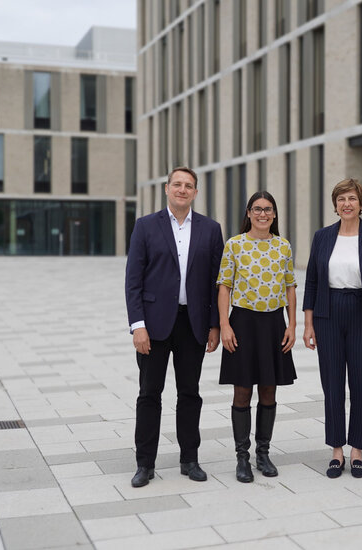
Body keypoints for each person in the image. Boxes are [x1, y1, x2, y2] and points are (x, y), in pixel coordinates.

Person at [124, 166, 223, 488]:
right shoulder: (145, 226)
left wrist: (214, 326)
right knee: (149, 394)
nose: (182, 189)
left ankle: (189, 459)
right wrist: (138, 325)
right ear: (167, 189)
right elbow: (133, 281)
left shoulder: (211, 229)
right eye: (177, 184)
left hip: (192, 324)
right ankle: (145, 464)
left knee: (190, 393)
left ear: (195, 192)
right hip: (153, 326)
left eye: (189, 186)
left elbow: (215, 282)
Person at [302, 179, 362, 479]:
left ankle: (358, 450)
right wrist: (308, 323)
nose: (346, 204)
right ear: (335, 204)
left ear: (361, 203)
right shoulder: (323, 237)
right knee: (332, 385)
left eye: (351, 198)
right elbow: (312, 280)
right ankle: (337, 450)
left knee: (361, 384)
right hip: (328, 314)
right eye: (341, 199)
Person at [218, 191, 297, 483]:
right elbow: (224, 286)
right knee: (242, 390)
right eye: (257, 209)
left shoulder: (283, 246)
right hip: (243, 323)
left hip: (274, 324)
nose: (263, 214)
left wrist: (292, 325)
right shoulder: (234, 245)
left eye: (268, 209)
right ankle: (242, 457)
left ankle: (263, 453)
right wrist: (224, 325)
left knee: (269, 389)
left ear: (274, 214)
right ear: (249, 213)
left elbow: (290, 286)